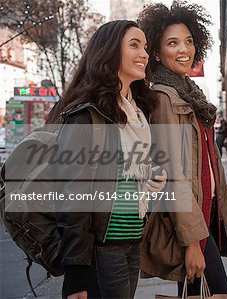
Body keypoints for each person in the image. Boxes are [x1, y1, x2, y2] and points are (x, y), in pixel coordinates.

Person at [45, 20, 167, 299]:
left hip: (132, 240)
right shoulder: (86, 115)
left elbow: (124, 171)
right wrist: (76, 275)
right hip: (102, 247)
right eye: (134, 45)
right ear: (110, 51)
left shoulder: (138, 113)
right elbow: (72, 195)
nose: (145, 54)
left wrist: (149, 174)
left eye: (145, 47)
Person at [137, 1, 227, 297]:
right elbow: (173, 174)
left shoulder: (188, 93)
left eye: (189, 41)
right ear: (156, 52)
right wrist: (192, 243)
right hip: (193, 226)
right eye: (173, 43)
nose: (184, 50)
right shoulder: (165, 99)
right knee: (218, 291)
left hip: (203, 215)